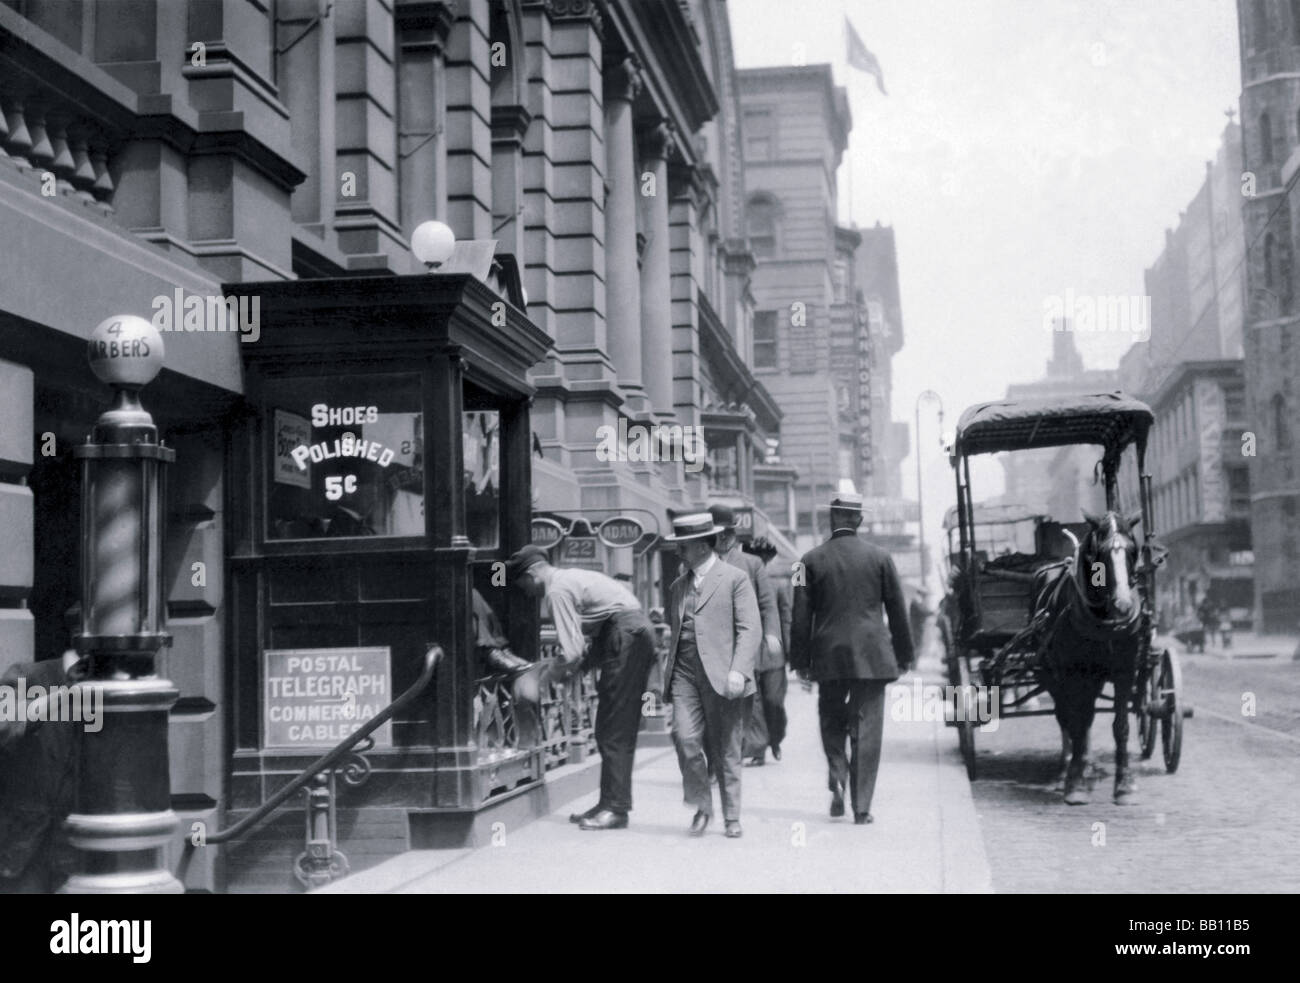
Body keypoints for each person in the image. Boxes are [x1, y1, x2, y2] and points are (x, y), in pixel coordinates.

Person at [506, 545, 655, 831]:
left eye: (522, 584)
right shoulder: (571, 578)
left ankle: (616, 809)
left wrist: (543, 678)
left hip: (625, 635)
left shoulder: (557, 591)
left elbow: (572, 651)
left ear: (533, 573)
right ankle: (608, 803)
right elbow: (597, 632)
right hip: (626, 633)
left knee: (614, 729)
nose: (526, 592)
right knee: (609, 728)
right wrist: (574, 668)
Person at [790, 493, 914, 825]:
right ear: (858, 521)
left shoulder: (805, 562)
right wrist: (904, 655)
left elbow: (799, 617)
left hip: (827, 656)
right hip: (873, 657)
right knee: (867, 729)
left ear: (831, 520)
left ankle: (837, 772)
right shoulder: (882, 558)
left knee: (830, 719)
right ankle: (861, 807)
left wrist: (799, 662)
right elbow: (897, 610)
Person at [662, 513, 761, 838]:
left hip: (724, 675)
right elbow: (676, 632)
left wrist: (739, 670)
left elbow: (750, 629)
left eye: (685, 546)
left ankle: (732, 816)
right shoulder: (678, 586)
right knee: (685, 737)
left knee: (727, 749)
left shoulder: (734, 579)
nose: (679, 552)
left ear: (704, 546)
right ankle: (703, 806)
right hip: (685, 674)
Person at [0, 606, 82, 893]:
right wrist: (63, 696)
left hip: (76, 853)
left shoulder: (110, 690)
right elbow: (3, 724)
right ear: (79, 634)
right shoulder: (28, 676)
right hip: (21, 850)